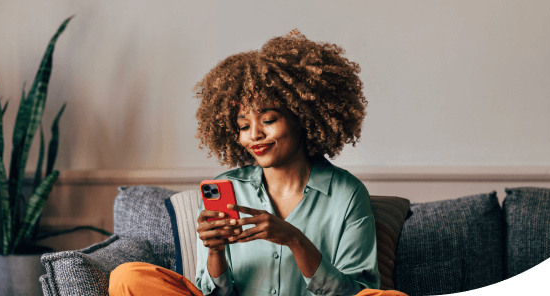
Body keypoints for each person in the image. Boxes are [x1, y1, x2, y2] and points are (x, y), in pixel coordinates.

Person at [109, 29, 407, 296]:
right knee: (128, 277)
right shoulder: (224, 188)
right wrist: (215, 252)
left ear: (301, 118)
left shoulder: (346, 193)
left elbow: (358, 292)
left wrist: (295, 240)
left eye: (268, 120)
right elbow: (212, 293)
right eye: (243, 126)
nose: (255, 136)